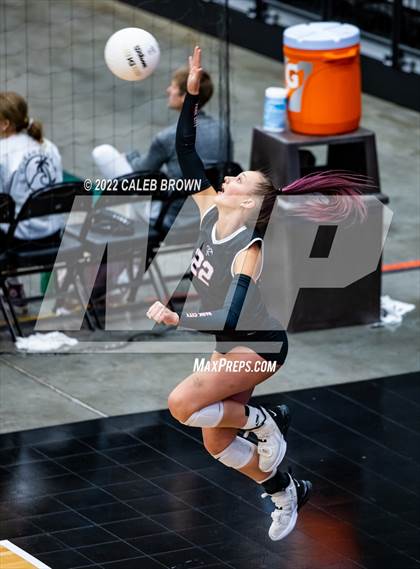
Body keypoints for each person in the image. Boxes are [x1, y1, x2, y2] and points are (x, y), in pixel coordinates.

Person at [147, 47, 367, 541]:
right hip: (231, 346)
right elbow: (187, 152)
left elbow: (228, 315)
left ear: (249, 200)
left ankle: (266, 420)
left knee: (182, 404)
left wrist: (176, 319)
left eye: (239, 178)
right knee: (217, 442)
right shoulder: (208, 209)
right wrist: (193, 95)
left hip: (260, 346)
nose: (227, 177)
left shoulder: (251, 247)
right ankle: (286, 488)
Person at [93, 66, 231, 232]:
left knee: (103, 153)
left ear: (184, 97)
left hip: (170, 218)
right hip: (211, 213)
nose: (168, 90)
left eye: (173, 87)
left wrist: (128, 156)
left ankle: (126, 224)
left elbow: (139, 172)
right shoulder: (223, 130)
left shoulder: (168, 137)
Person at [0, 92, 63, 310]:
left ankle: (12, 283)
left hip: (19, 241)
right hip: (53, 237)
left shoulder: (2, 154)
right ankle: (12, 284)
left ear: (5, 124)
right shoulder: (49, 147)